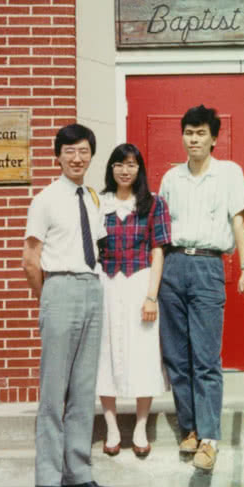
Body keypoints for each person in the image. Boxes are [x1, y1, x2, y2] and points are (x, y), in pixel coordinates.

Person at [158, 105, 244, 471]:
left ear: (214, 138)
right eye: (188, 133)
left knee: (206, 357)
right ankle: (190, 428)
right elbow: (161, 231)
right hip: (174, 263)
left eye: (201, 133)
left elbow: (238, 222)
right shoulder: (171, 178)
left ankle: (210, 439)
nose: (194, 139)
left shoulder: (229, 173)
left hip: (209, 265)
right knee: (176, 356)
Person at [22, 123, 113, 487]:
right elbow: (30, 258)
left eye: (84, 152)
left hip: (92, 288)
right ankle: (48, 474)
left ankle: (77, 471)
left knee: (83, 388)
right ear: (57, 156)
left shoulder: (92, 198)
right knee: (55, 387)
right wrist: (49, 297)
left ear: (91, 156)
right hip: (58, 287)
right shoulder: (45, 199)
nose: (77, 158)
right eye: (70, 151)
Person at [95, 143, 172, 458]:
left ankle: (140, 426)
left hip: (140, 284)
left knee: (142, 352)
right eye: (118, 164)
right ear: (111, 168)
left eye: (131, 165)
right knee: (105, 352)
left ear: (139, 170)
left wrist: (152, 296)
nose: (124, 171)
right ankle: (112, 426)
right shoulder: (98, 202)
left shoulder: (154, 204)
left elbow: (158, 250)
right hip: (107, 285)